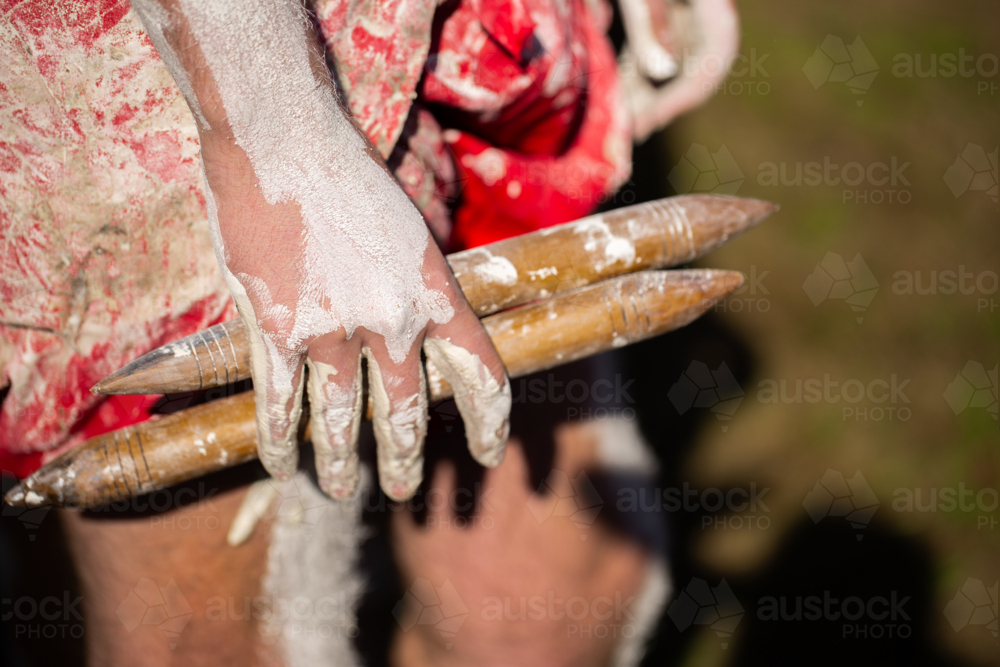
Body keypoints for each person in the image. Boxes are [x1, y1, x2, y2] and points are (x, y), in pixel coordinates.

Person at [0, 0, 739, 664]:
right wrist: (276, 132)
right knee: (226, 644)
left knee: (549, 608)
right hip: (185, 80)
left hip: (449, 31)